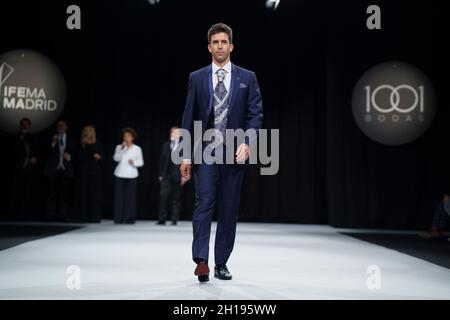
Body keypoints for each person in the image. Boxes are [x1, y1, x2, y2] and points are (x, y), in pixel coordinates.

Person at [180, 23, 263, 282]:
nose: (219, 46)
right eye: (214, 42)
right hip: (205, 150)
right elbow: (188, 116)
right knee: (204, 203)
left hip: (234, 151)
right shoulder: (196, 77)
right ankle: (201, 261)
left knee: (228, 209)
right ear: (209, 46)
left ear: (231, 46)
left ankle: (221, 264)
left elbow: (255, 114)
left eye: (223, 42)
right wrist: (184, 154)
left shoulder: (247, 77)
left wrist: (248, 142)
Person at [44, 120, 74, 222]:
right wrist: (53, 142)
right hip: (53, 169)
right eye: (59, 126)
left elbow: (76, 153)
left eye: (63, 125)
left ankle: (64, 216)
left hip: (65, 170)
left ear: (66, 127)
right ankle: (50, 216)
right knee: (51, 194)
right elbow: (44, 152)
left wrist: (70, 157)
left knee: (65, 195)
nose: (61, 127)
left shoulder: (71, 140)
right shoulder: (52, 138)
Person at [73, 125, 104, 223]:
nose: (87, 133)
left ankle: (94, 217)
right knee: (83, 194)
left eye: (90, 131)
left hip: (95, 171)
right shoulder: (80, 144)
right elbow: (77, 157)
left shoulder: (97, 143)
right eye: (86, 131)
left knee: (94, 194)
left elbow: (102, 157)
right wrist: (85, 145)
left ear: (93, 133)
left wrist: (99, 157)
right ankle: (83, 216)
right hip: (83, 171)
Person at [157, 127, 188, 225]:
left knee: (176, 198)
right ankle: (162, 218)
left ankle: (174, 219)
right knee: (163, 196)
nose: (173, 134)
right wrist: (161, 174)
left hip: (178, 175)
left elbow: (186, 162)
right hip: (166, 175)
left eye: (175, 133)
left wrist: (184, 176)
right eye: (172, 132)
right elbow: (162, 160)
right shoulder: (166, 145)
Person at [9, 118, 39, 221]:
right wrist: (20, 139)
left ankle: (25, 215)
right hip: (18, 168)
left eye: (26, 124)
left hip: (29, 168)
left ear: (29, 126)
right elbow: (12, 152)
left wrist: (35, 158)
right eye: (23, 124)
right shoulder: (15, 138)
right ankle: (13, 215)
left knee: (27, 192)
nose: (24, 126)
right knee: (15, 192)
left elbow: (38, 151)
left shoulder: (33, 138)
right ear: (20, 125)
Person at [113, 127, 144, 224]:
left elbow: (141, 162)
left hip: (132, 175)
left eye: (128, 136)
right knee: (119, 198)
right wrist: (122, 149)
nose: (126, 138)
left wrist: (134, 162)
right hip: (120, 174)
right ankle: (118, 218)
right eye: (125, 136)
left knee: (130, 198)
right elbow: (116, 158)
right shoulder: (119, 147)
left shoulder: (137, 148)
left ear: (132, 138)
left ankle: (129, 218)